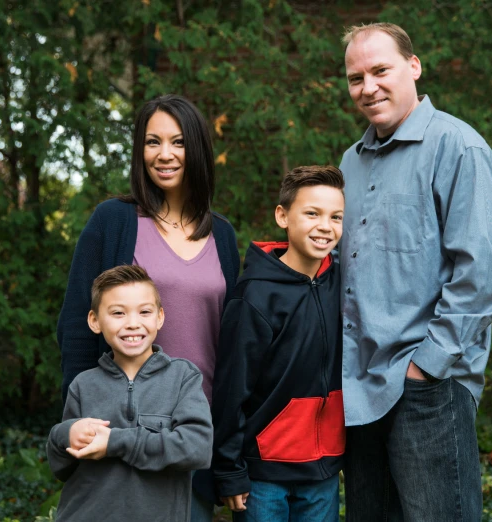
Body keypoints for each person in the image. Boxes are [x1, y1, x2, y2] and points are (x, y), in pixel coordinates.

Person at [338, 23, 492, 521]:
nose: (368, 87)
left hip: (426, 389)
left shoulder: (458, 147)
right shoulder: (350, 161)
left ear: (413, 67)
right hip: (358, 390)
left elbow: (481, 273)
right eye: (355, 78)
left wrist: (426, 367)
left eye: (380, 70)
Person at [56, 93, 240, 519]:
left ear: (196, 148)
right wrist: (81, 417)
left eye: (177, 142)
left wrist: (230, 444)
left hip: (192, 433)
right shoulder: (114, 221)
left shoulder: (223, 236)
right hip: (120, 429)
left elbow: (231, 345)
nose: (165, 154)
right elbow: (75, 327)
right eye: (152, 142)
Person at [212, 166, 346, 522]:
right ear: (282, 216)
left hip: (323, 470)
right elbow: (231, 387)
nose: (325, 226)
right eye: (312, 213)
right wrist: (229, 470)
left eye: (336, 217)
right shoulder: (255, 294)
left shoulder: (341, 283)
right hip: (264, 472)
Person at [47, 265, 213, 521]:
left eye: (144, 312)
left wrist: (115, 442)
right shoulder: (83, 384)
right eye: (118, 313)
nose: (133, 324)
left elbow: (197, 448)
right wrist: (65, 434)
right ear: (95, 321)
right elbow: (63, 467)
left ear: (159, 317)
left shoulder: (182, 378)